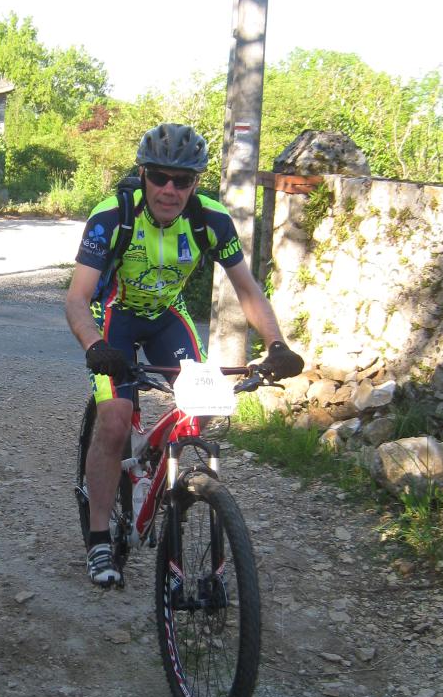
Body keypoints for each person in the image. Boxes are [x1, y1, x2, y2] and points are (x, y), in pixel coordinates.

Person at [65, 122, 304, 586]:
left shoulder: (210, 220)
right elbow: (77, 298)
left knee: (204, 405)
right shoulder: (112, 216)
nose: (169, 189)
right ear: (143, 174)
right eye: (159, 177)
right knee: (114, 420)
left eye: (182, 180)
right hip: (115, 315)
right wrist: (95, 346)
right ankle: (98, 539)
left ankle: (157, 473)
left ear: (196, 183)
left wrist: (276, 345)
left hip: (166, 316)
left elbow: (247, 288)